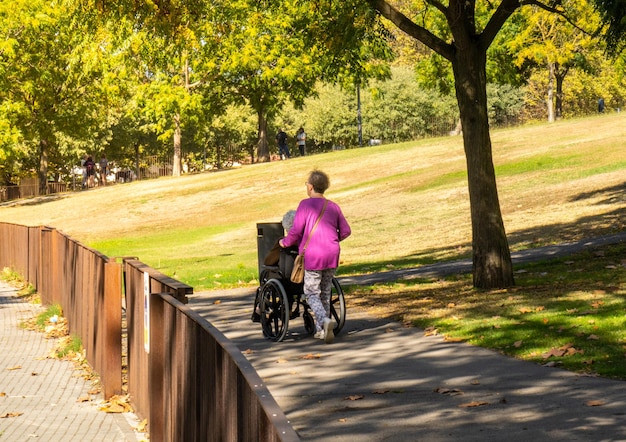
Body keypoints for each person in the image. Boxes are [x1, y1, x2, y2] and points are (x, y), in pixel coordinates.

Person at [279, 170, 351, 344]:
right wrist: (333, 240)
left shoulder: (305, 205)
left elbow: (295, 232)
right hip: (332, 254)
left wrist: (285, 242)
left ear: (310, 187)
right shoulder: (333, 206)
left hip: (313, 255)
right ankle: (321, 330)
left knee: (311, 292)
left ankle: (324, 320)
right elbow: (346, 231)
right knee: (325, 292)